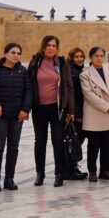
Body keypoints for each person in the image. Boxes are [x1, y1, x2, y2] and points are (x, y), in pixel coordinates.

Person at [0, 43, 32, 192]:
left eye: (18, 53)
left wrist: (25, 109)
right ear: (5, 53)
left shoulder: (23, 71)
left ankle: (9, 179)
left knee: (13, 148)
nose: (16, 55)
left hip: (17, 115)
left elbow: (29, 91)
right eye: (13, 52)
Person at [28, 35, 76, 188]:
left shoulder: (62, 63)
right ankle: (40, 173)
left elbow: (68, 86)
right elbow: (29, 84)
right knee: (40, 141)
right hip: (39, 108)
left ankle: (58, 173)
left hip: (57, 108)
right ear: (43, 47)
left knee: (58, 141)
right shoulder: (35, 61)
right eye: (48, 45)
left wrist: (71, 109)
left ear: (57, 48)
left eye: (53, 45)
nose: (50, 48)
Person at [80, 47, 109, 182]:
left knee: (106, 145)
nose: (99, 58)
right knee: (93, 145)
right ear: (91, 57)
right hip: (95, 114)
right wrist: (107, 106)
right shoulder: (85, 74)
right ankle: (92, 171)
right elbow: (89, 95)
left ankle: (105, 170)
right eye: (96, 56)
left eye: (101, 56)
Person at [64, 47, 88, 181]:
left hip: (77, 112)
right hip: (75, 114)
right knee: (73, 142)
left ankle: (71, 168)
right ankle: (70, 169)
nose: (80, 59)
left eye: (81, 56)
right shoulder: (72, 72)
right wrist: (76, 113)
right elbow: (73, 95)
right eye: (77, 57)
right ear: (72, 58)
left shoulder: (78, 71)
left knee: (74, 142)